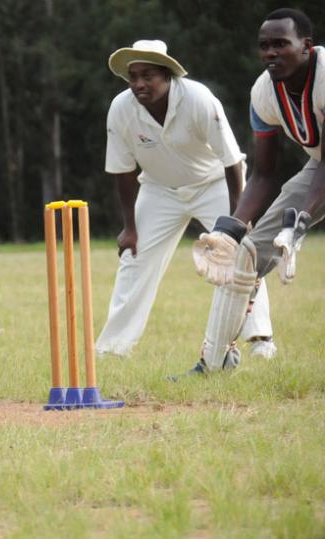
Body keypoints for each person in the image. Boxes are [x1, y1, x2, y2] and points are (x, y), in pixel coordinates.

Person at [95, 40, 276, 359]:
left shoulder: (197, 98)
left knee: (242, 255)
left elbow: (231, 160)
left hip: (215, 182)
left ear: (167, 75)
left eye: (147, 75)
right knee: (133, 259)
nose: (138, 83)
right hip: (159, 189)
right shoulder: (121, 109)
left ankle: (261, 339)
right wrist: (129, 228)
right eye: (133, 76)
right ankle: (113, 348)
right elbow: (122, 171)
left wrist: (237, 221)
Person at [187, 8, 324, 374]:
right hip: (320, 165)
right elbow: (264, 174)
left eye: (281, 44)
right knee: (246, 253)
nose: (270, 53)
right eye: (264, 46)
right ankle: (214, 363)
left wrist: (300, 222)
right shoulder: (264, 93)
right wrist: (229, 228)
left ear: (306, 46)